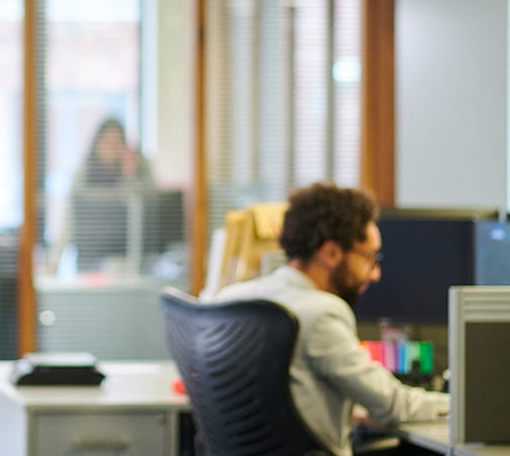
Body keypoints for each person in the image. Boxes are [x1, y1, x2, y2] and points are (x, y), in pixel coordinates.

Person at [214, 182, 449, 456]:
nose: (375, 274)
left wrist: (350, 407)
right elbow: (394, 406)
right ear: (331, 253)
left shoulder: (230, 298)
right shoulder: (321, 312)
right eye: (370, 258)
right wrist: (468, 408)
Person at [50, 118, 156, 274]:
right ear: (97, 144)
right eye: (107, 142)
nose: (112, 148)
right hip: (91, 262)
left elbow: (145, 210)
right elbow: (69, 220)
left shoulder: (137, 168)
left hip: (130, 259)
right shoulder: (84, 174)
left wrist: (129, 174)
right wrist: (54, 261)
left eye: (118, 143)